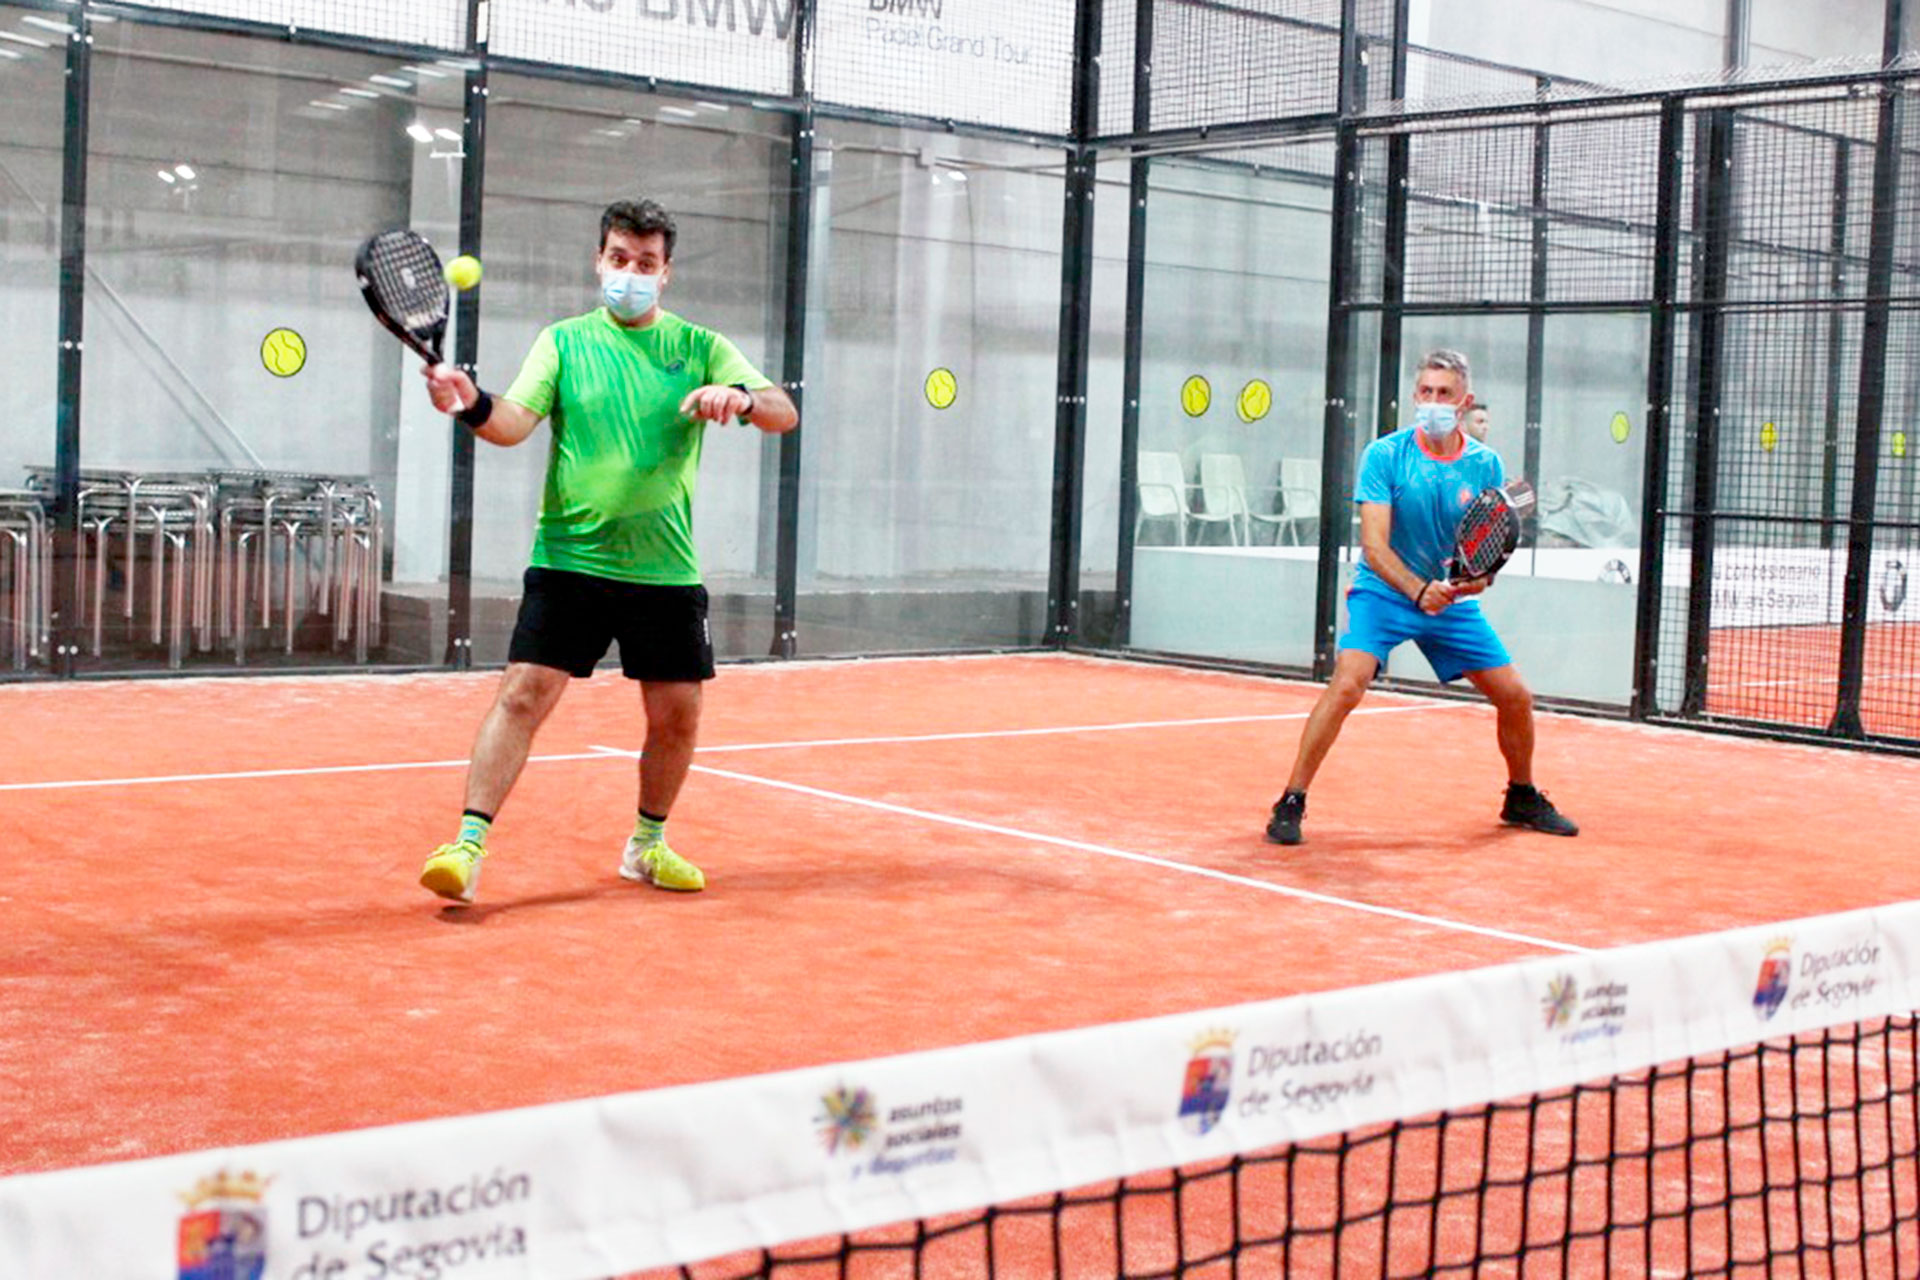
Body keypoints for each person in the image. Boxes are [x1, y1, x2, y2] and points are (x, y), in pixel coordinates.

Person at [416, 198, 798, 904]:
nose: (631, 273)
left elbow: (783, 410)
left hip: (665, 568)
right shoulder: (562, 342)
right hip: (570, 561)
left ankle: (647, 847)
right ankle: (466, 846)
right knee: (524, 695)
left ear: (666, 273)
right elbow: (512, 424)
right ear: (600, 260)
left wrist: (738, 399)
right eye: (620, 259)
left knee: (678, 713)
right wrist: (471, 402)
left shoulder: (701, 346)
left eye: (646, 264)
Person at [1265, 350, 1575, 846]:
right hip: (1385, 592)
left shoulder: (1484, 464)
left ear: (1464, 402)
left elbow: (1486, 546)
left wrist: (1474, 582)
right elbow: (1373, 545)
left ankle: (1520, 795)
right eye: (1425, 392)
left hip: (1449, 602)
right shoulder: (1384, 455)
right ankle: (1291, 800)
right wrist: (1417, 590)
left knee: (1515, 697)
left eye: (1444, 394)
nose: (1433, 402)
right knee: (1348, 683)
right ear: (1415, 396)